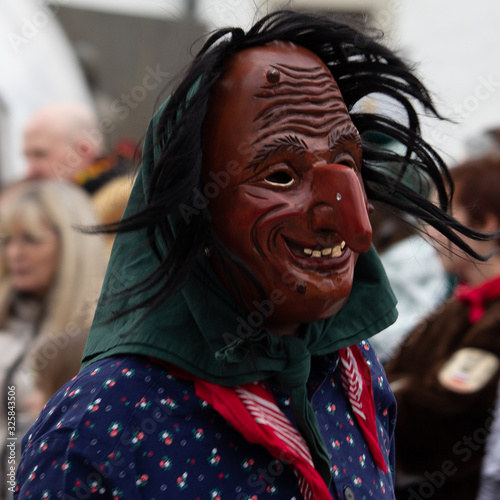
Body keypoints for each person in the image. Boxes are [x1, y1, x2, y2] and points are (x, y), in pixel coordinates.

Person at [14, 11, 488, 499]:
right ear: (194, 207)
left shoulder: (352, 375)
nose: (353, 225)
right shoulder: (100, 426)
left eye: (347, 164)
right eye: (281, 175)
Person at [385, 155, 500, 500]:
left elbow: (443, 413)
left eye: (442, 216)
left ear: (485, 223)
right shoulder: (459, 305)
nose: (428, 229)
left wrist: (379, 399)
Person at [0, 181, 107, 499]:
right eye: (8, 240)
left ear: (72, 246)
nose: (15, 253)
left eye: (31, 240)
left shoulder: (95, 339)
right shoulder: (9, 321)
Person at [22, 101, 135, 252]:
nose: (30, 171)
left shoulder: (126, 203)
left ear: (83, 150)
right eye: (27, 157)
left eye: (40, 154)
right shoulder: (59, 209)